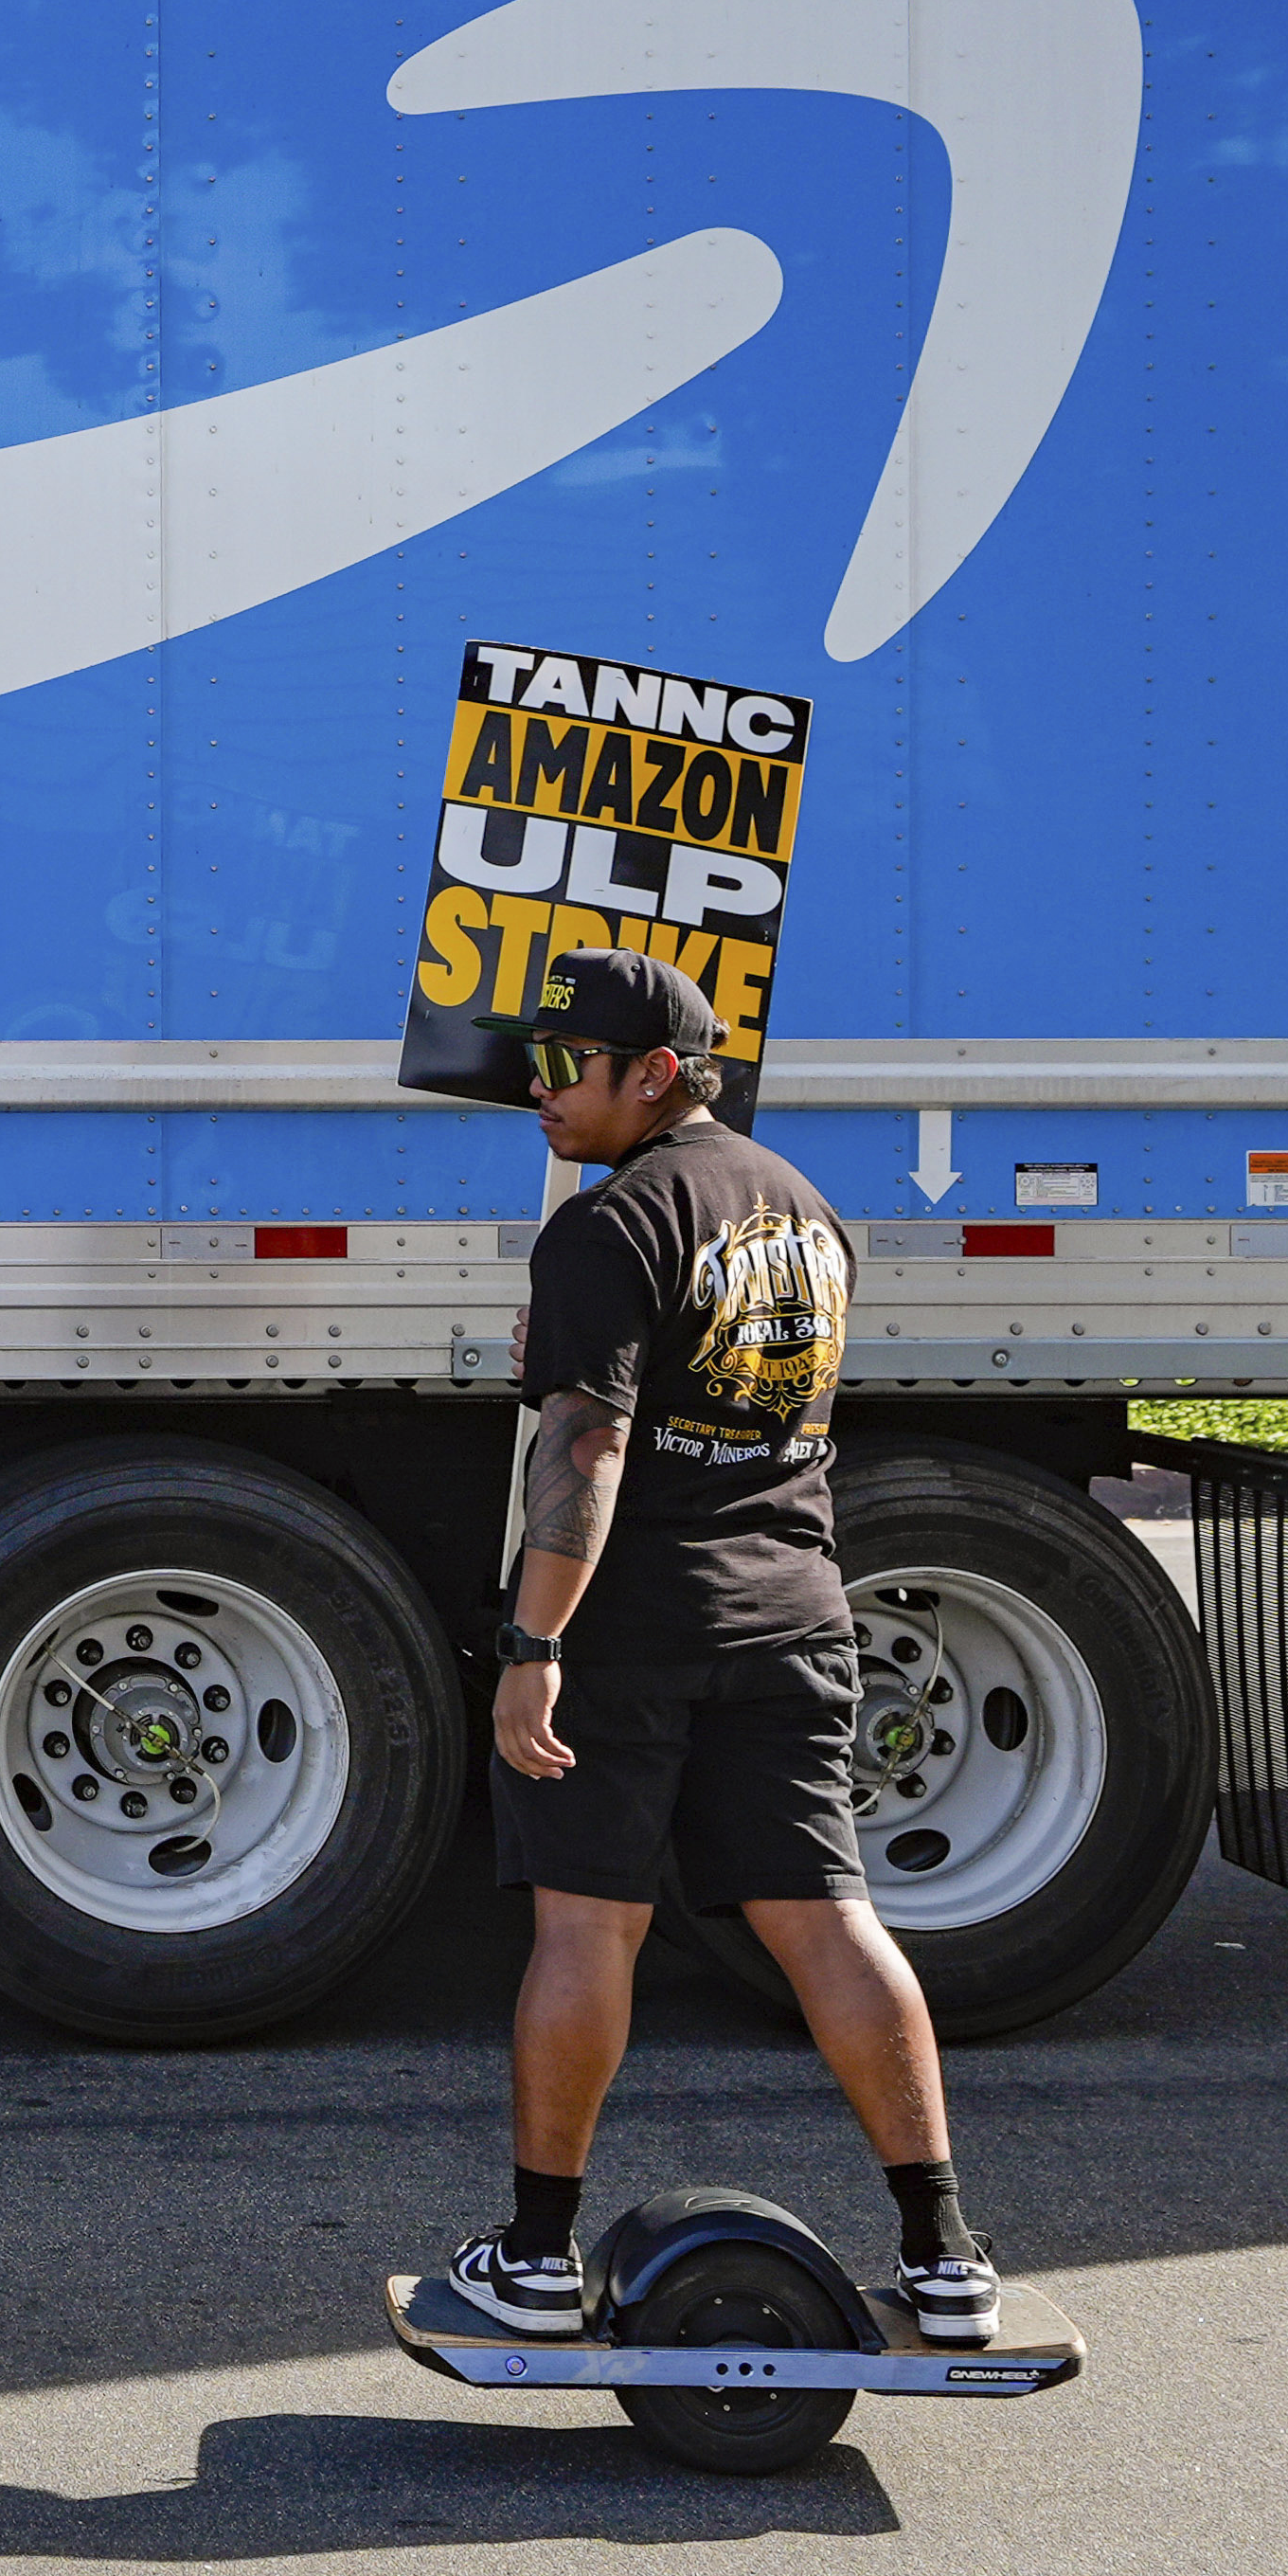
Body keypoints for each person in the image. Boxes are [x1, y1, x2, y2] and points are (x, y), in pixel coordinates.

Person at [441, 945, 999, 2348]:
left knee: (587, 1925)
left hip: (633, 1630)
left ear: (662, 1075)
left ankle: (534, 2261)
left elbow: (593, 1442)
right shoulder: (807, 1212)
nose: (541, 1090)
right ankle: (944, 2256)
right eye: (537, 1061)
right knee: (827, 1918)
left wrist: (533, 1641)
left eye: (573, 1068)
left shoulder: (604, 1225)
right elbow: (735, 1393)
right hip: (797, 1615)